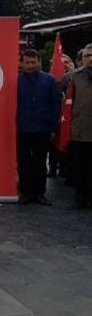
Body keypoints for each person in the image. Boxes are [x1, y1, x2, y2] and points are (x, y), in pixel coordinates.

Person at [16, 49, 60, 205]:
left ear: (39, 62)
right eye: (27, 62)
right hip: (22, 129)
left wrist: (54, 128)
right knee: (23, 162)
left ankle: (40, 193)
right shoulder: (16, 81)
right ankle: (25, 192)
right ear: (21, 63)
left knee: (40, 162)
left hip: (43, 129)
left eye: (33, 62)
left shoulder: (49, 81)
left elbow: (56, 105)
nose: (30, 65)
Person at [68, 44, 92, 209]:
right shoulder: (73, 77)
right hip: (79, 130)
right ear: (82, 59)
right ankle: (80, 198)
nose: (91, 59)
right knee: (80, 168)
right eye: (88, 55)